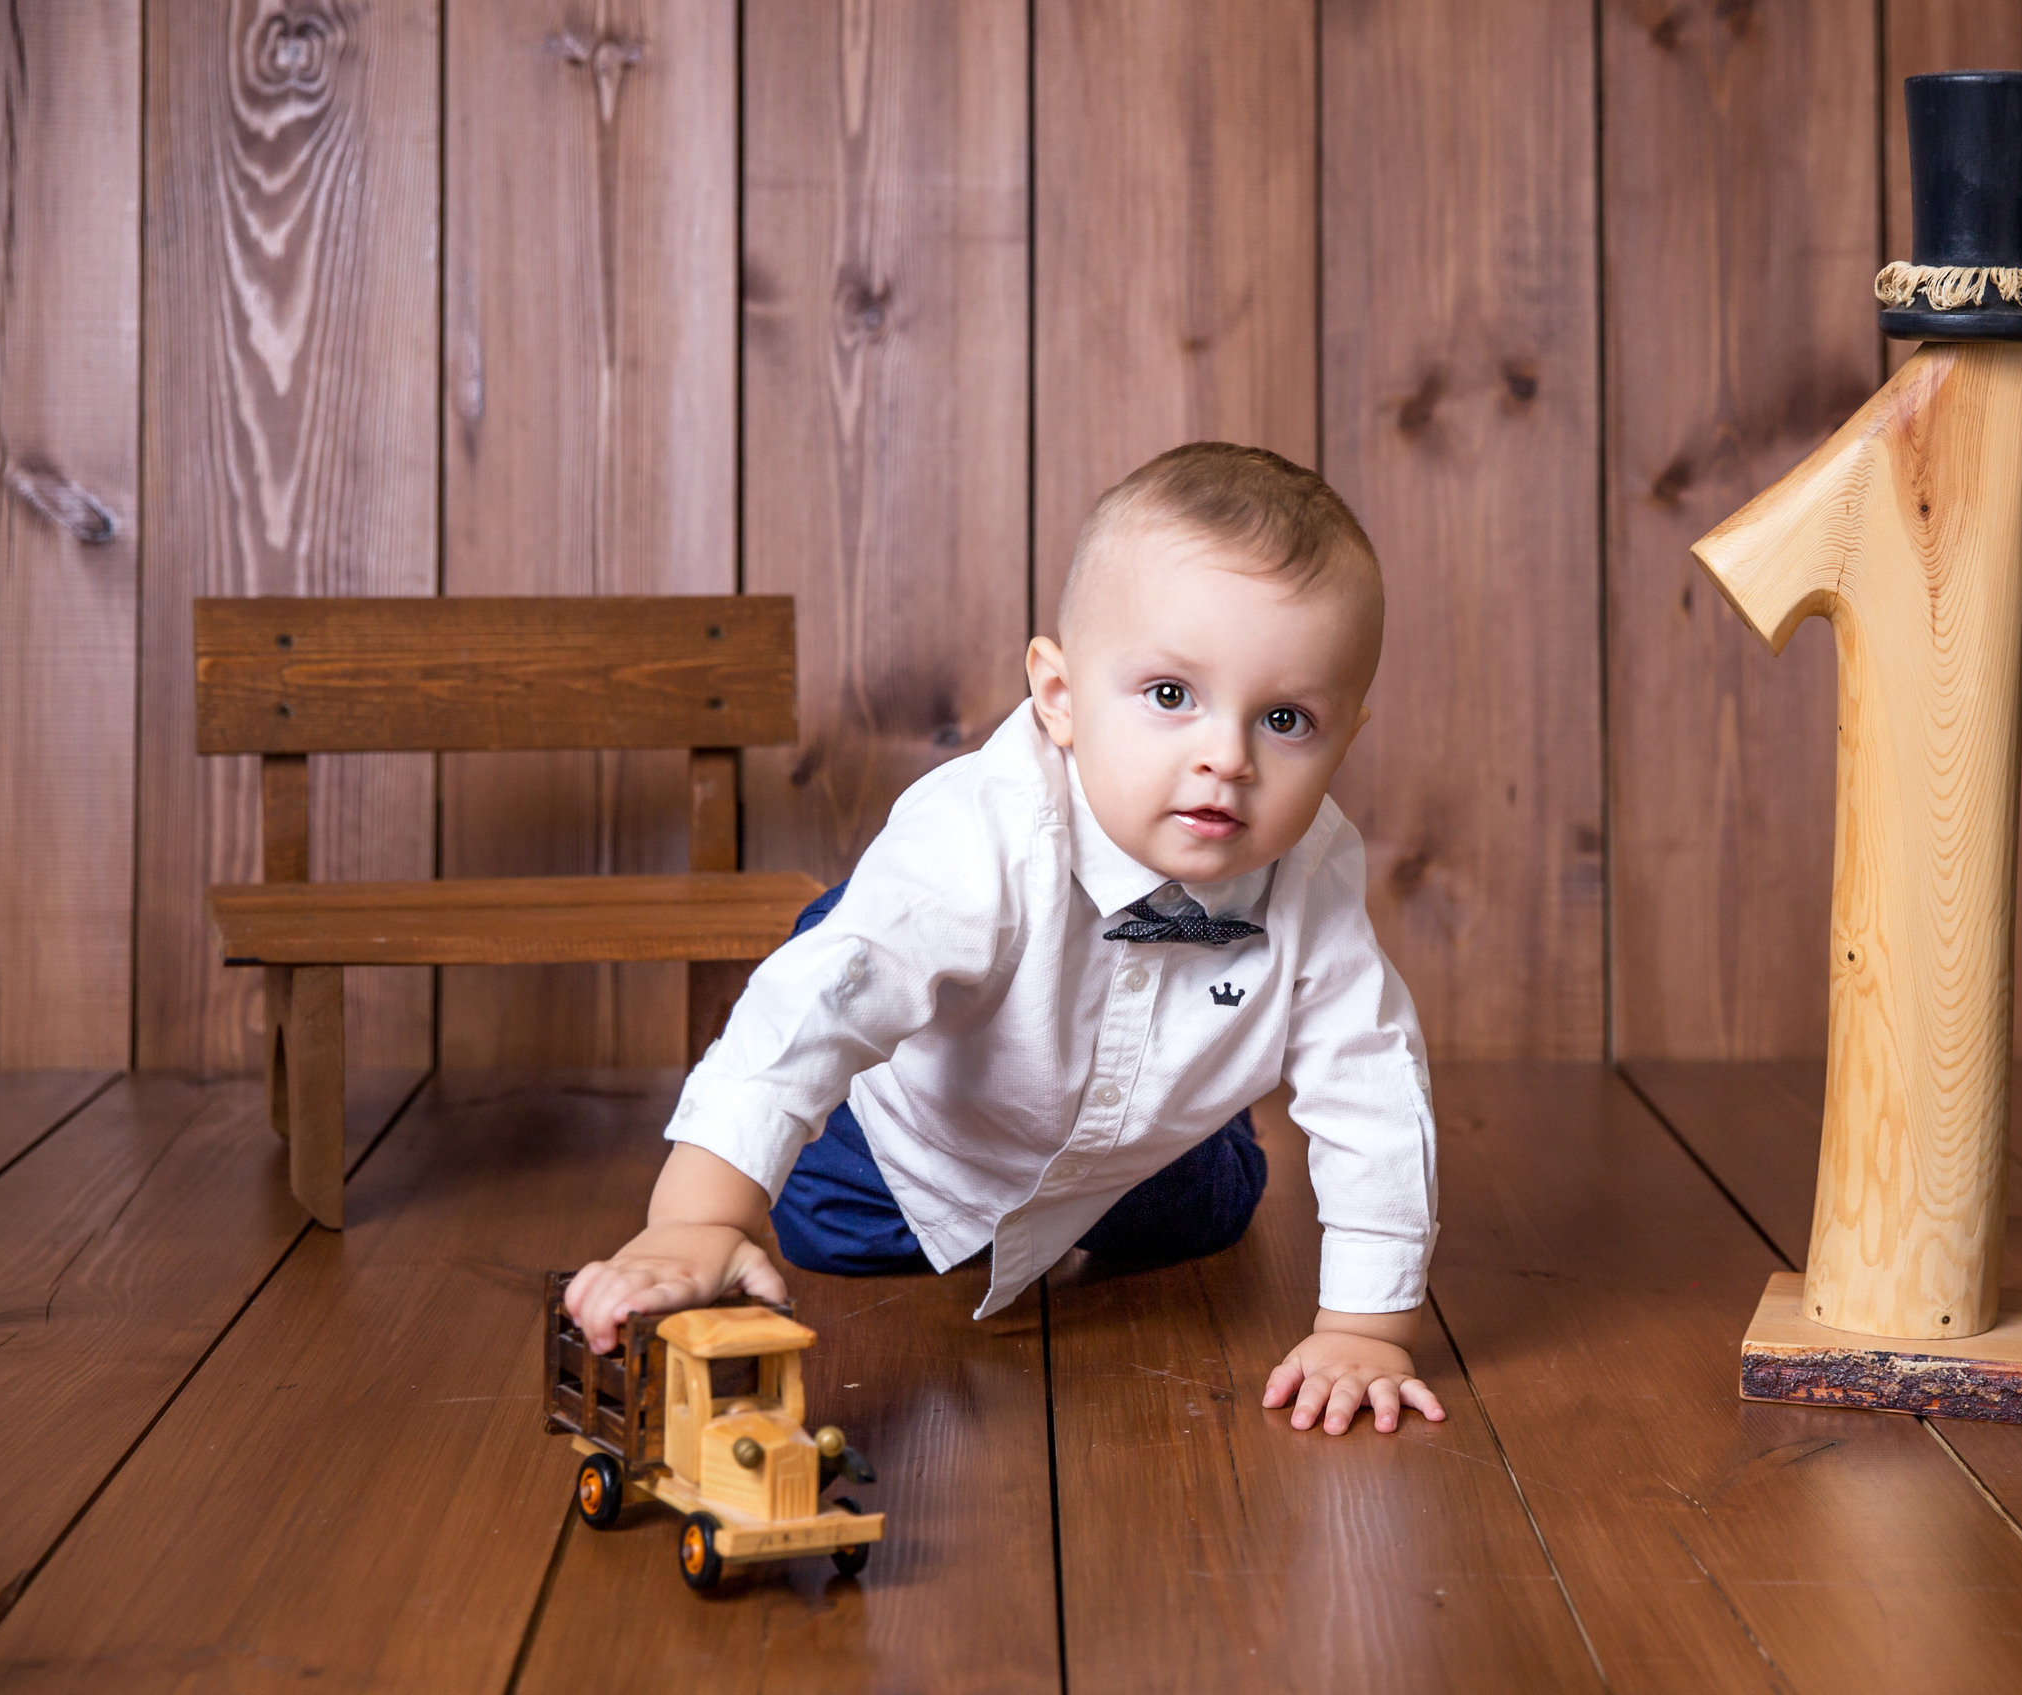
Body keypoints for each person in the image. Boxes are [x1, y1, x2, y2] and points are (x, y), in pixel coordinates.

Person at [565, 443, 1443, 1436]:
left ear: (1344, 740)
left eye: (1285, 719)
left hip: (1138, 1150)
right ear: (1059, 698)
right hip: (911, 1130)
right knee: (823, 1213)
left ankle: (1205, 1127)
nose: (1225, 757)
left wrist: (1367, 1326)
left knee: (1212, 1212)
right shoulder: (984, 832)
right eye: (1169, 695)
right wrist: (696, 1221)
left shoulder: (1315, 871)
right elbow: (814, 1009)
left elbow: (1372, 1085)